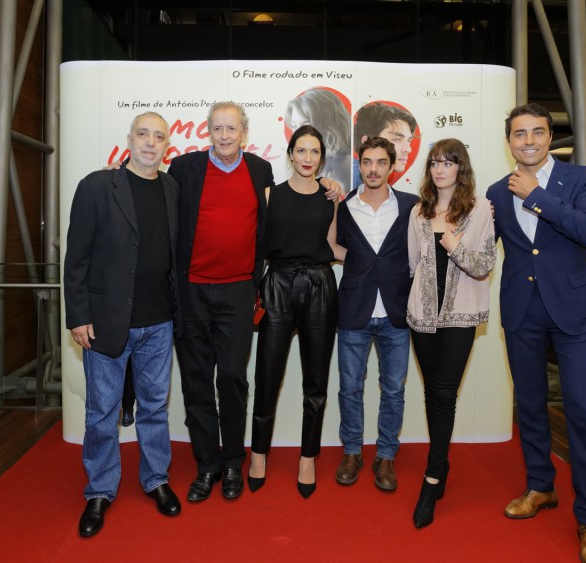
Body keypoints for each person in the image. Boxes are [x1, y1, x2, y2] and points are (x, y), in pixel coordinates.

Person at [167, 101, 341, 504]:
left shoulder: (259, 172)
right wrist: (120, 171)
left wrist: (330, 186)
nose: (225, 135)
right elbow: (154, 191)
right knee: (196, 381)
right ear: (208, 131)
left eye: (232, 128)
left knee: (232, 379)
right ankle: (207, 465)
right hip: (192, 292)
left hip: (238, 293)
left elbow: (295, 218)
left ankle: (233, 461)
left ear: (244, 133)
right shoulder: (184, 169)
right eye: (218, 128)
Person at [485, 103, 586, 563]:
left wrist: (537, 195)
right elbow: (483, 250)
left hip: (576, 311)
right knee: (530, 405)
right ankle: (540, 486)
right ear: (509, 141)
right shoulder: (496, 191)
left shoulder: (581, 179)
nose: (528, 141)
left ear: (549, 136)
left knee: (584, 410)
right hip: (523, 310)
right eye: (519, 134)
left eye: (537, 132)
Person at [64, 111, 182, 538]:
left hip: (159, 322)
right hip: (106, 323)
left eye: (159, 136)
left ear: (167, 145)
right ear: (129, 139)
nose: (150, 142)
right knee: (102, 412)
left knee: (154, 407)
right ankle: (100, 489)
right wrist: (78, 316)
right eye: (143, 134)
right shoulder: (97, 186)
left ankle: (156, 479)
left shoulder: (171, 188)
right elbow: (76, 257)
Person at [248, 125, 344, 499]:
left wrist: (377, 261)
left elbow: (333, 246)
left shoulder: (330, 196)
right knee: (267, 376)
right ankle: (258, 454)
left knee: (316, 382)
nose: (307, 158)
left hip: (320, 286)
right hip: (278, 285)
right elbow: (257, 247)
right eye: (301, 150)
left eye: (314, 152)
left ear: (322, 157)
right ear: (290, 154)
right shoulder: (270, 194)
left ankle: (308, 457)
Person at [407, 139, 496, 528]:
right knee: (432, 391)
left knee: (445, 393)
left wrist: (454, 246)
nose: (440, 169)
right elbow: (413, 264)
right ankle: (441, 463)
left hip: (461, 317)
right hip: (422, 316)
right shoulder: (418, 212)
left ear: (462, 168)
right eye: (434, 163)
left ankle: (431, 479)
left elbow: (485, 265)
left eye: (448, 162)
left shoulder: (479, 209)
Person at [334, 137, 418, 492]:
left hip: (396, 312)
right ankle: (352, 452)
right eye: (367, 162)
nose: (373, 169)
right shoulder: (344, 206)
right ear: (360, 165)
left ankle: (386, 455)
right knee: (350, 388)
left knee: (394, 390)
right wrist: (359, 263)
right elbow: (333, 246)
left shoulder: (411, 205)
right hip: (354, 310)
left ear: (392, 166)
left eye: (381, 162)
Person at [285, 88, 352, 191]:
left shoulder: (344, 165)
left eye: (305, 125)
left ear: (328, 125)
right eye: (294, 126)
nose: (298, 133)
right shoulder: (301, 163)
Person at [352, 102, 418, 184]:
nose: (408, 149)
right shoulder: (350, 179)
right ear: (366, 141)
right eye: (397, 139)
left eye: (409, 140)